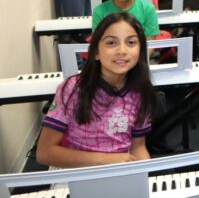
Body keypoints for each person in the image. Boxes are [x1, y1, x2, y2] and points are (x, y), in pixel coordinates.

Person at [36, 12, 155, 168]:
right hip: (75, 172)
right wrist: (104, 160)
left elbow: (138, 147)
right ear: (96, 52)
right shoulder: (73, 88)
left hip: (121, 171)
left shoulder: (141, 91)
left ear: (140, 52)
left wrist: (144, 175)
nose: (122, 50)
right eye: (111, 43)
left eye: (131, 42)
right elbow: (44, 153)